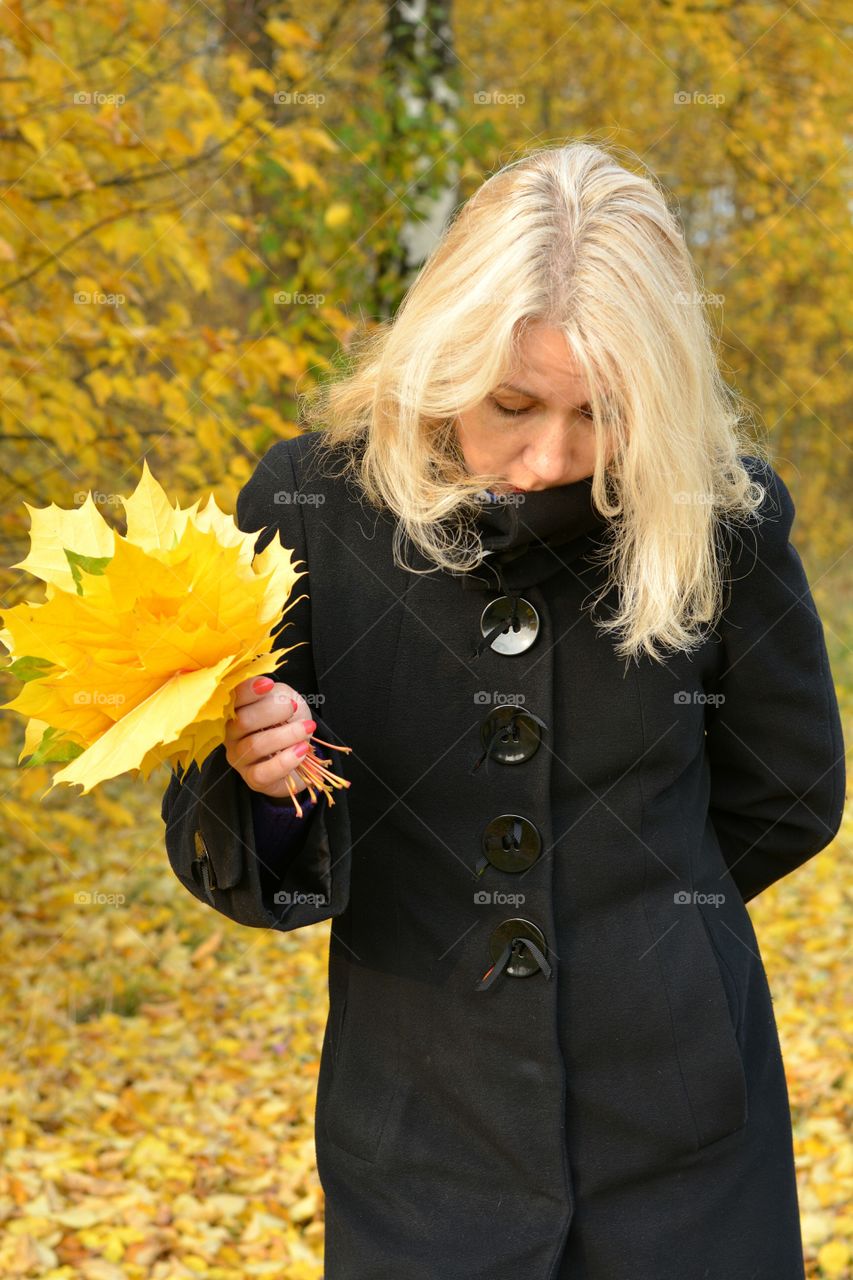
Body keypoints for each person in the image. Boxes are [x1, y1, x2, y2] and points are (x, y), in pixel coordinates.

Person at [161, 139, 845, 1279]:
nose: (549, 457)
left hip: (684, 1136)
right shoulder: (311, 500)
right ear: (442, 357)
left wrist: (646, 920)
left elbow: (788, 789)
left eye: (600, 412)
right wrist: (263, 785)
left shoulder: (722, 511)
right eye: (512, 402)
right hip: (418, 1143)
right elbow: (224, 824)